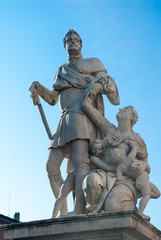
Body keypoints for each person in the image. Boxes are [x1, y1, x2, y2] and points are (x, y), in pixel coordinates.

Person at [30, 30, 120, 215]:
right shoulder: (61, 70)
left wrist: (97, 85)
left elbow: (107, 83)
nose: (72, 42)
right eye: (68, 40)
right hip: (64, 121)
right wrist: (39, 88)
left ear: (81, 44)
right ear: (64, 45)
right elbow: (54, 98)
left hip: (82, 119)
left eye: (75, 40)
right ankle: (64, 213)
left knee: (81, 165)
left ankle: (78, 211)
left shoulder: (93, 63)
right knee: (51, 166)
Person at [82, 100, 160, 218]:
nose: (119, 109)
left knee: (112, 206)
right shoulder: (110, 130)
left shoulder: (137, 139)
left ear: (131, 117)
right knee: (91, 180)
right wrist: (94, 87)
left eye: (124, 109)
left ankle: (132, 205)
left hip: (125, 181)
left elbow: (146, 164)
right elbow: (87, 107)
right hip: (104, 173)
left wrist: (143, 165)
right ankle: (91, 212)